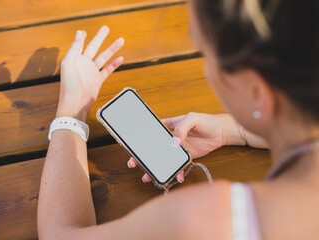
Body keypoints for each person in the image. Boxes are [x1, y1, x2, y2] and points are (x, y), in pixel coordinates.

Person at [37, 0, 319, 239]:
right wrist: (232, 130)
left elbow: (60, 234)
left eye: (204, 53)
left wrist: (72, 109)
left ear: (255, 90)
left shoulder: (208, 220)